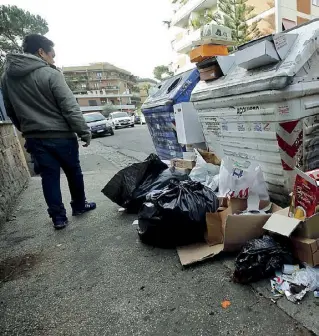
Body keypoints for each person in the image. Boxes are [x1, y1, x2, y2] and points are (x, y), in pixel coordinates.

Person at [1, 34, 96, 230]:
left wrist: (26, 129)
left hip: (35, 138)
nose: (54, 58)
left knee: (49, 177)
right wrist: (83, 131)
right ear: (41, 52)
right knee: (73, 172)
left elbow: (10, 110)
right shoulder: (51, 74)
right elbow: (69, 107)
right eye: (52, 54)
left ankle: (58, 218)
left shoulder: (7, 78)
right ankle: (79, 206)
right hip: (61, 136)